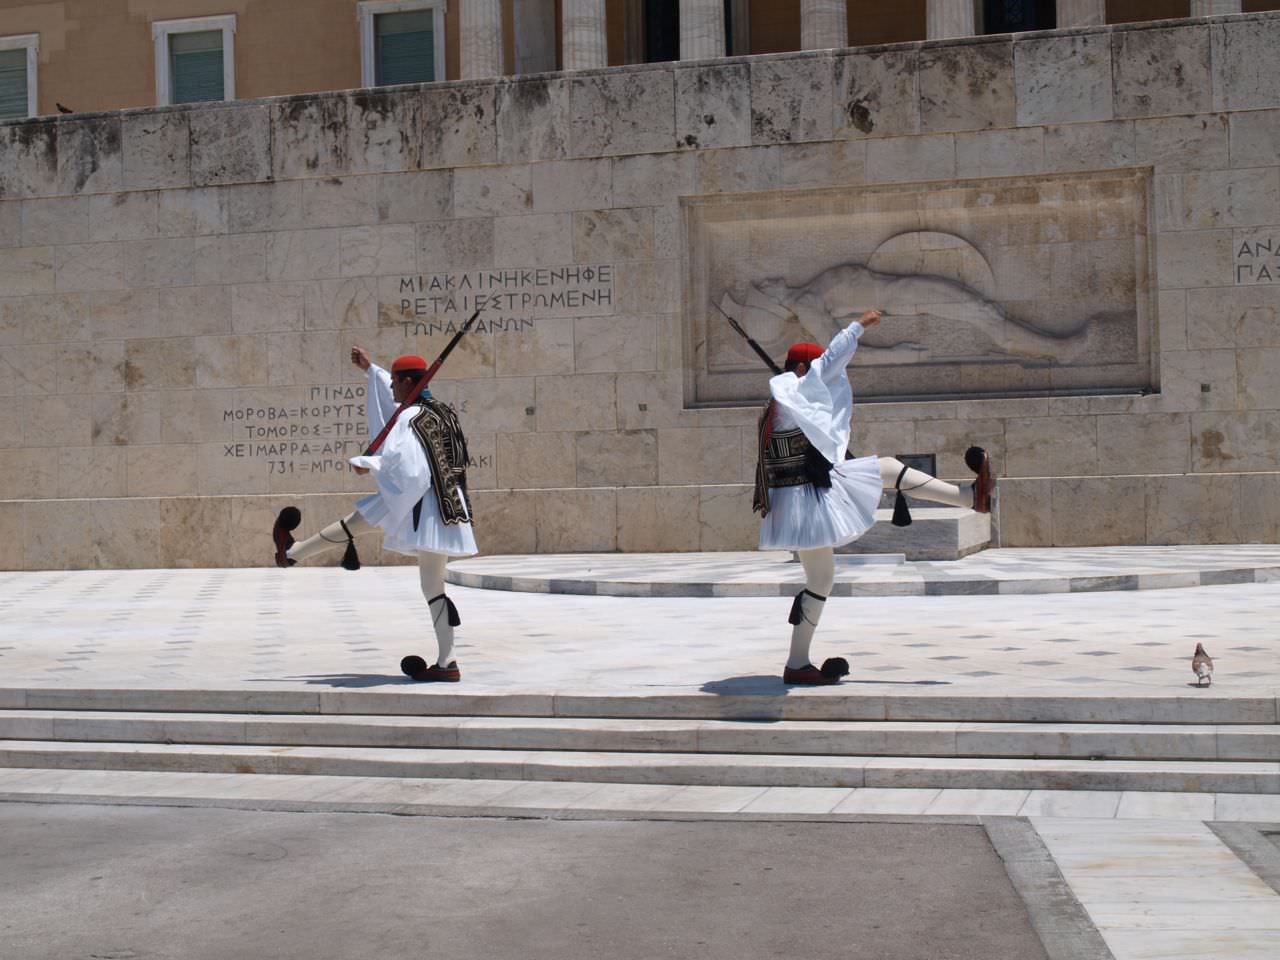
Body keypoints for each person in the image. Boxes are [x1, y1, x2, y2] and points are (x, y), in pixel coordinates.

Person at [754, 308, 993, 685]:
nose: (827, 378)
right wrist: (858, 326)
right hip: (806, 502)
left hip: (799, 502)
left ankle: (797, 664)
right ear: (803, 370)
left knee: (821, 581)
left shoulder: (782, 401)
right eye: (814, 369)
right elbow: (830, 361)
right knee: (883, 469)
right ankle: (969, 496)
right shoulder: (794, 390)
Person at [271, 347, 478, 683]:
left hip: (423, 505)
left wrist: (368, 464)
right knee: (366, 524)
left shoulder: (411, 419)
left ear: (407, 381)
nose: (392, 389)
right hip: (448, 506)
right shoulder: (441, 412)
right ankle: (292, 554)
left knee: (429, 583)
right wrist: (371, 369)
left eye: (396, 382)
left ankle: (447, 663)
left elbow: (409, 470)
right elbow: (394, 403)